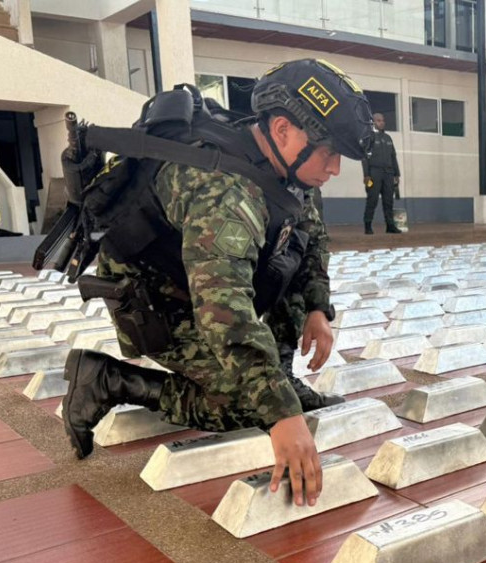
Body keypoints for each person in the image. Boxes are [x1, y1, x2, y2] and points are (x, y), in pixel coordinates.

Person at [61, 59, 375, 507]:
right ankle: (108, 380)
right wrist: (281, 414)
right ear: (283, 129)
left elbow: (309, 235)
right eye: (328, 151)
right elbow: (225, 318)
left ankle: (278, 377)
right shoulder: (225, 193)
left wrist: (317, 307)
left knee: (287, 257)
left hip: (200, 282)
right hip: (155, 301)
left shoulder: (287, 169)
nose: (335, 167)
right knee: (246, 407)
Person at [362, 112, 401, 234]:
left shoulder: (388, 138)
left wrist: (397, 174)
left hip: (388, 173)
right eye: (378, 120)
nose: (382, 122)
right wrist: (366, 175)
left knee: (388, 200)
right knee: (372, 200)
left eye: (382, 120)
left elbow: (393, 156)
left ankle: (390, 225)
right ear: (373, 122)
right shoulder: (369, 138)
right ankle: (368, 226)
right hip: (374, 173)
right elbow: (365, 158)